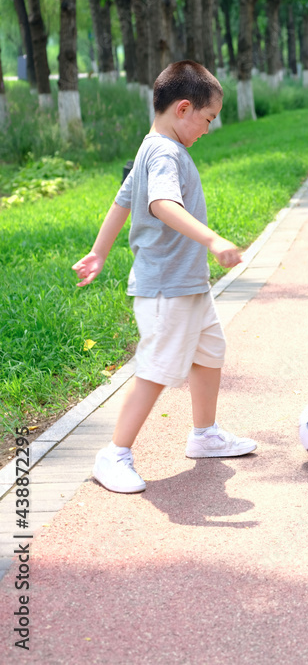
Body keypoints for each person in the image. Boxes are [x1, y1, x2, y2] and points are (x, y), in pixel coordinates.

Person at [72, 60, 257, 494]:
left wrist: (99, 252)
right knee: (156, 370)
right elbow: (161, 205)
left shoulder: (152, 146)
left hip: (187, 284)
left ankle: (205, 434)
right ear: (184, 109)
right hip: (165, 288)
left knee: (210, 352)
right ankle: (113, 454)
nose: (209, 129)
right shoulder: (165, 153)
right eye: (208, 119)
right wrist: (213, 240)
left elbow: (122, 201)